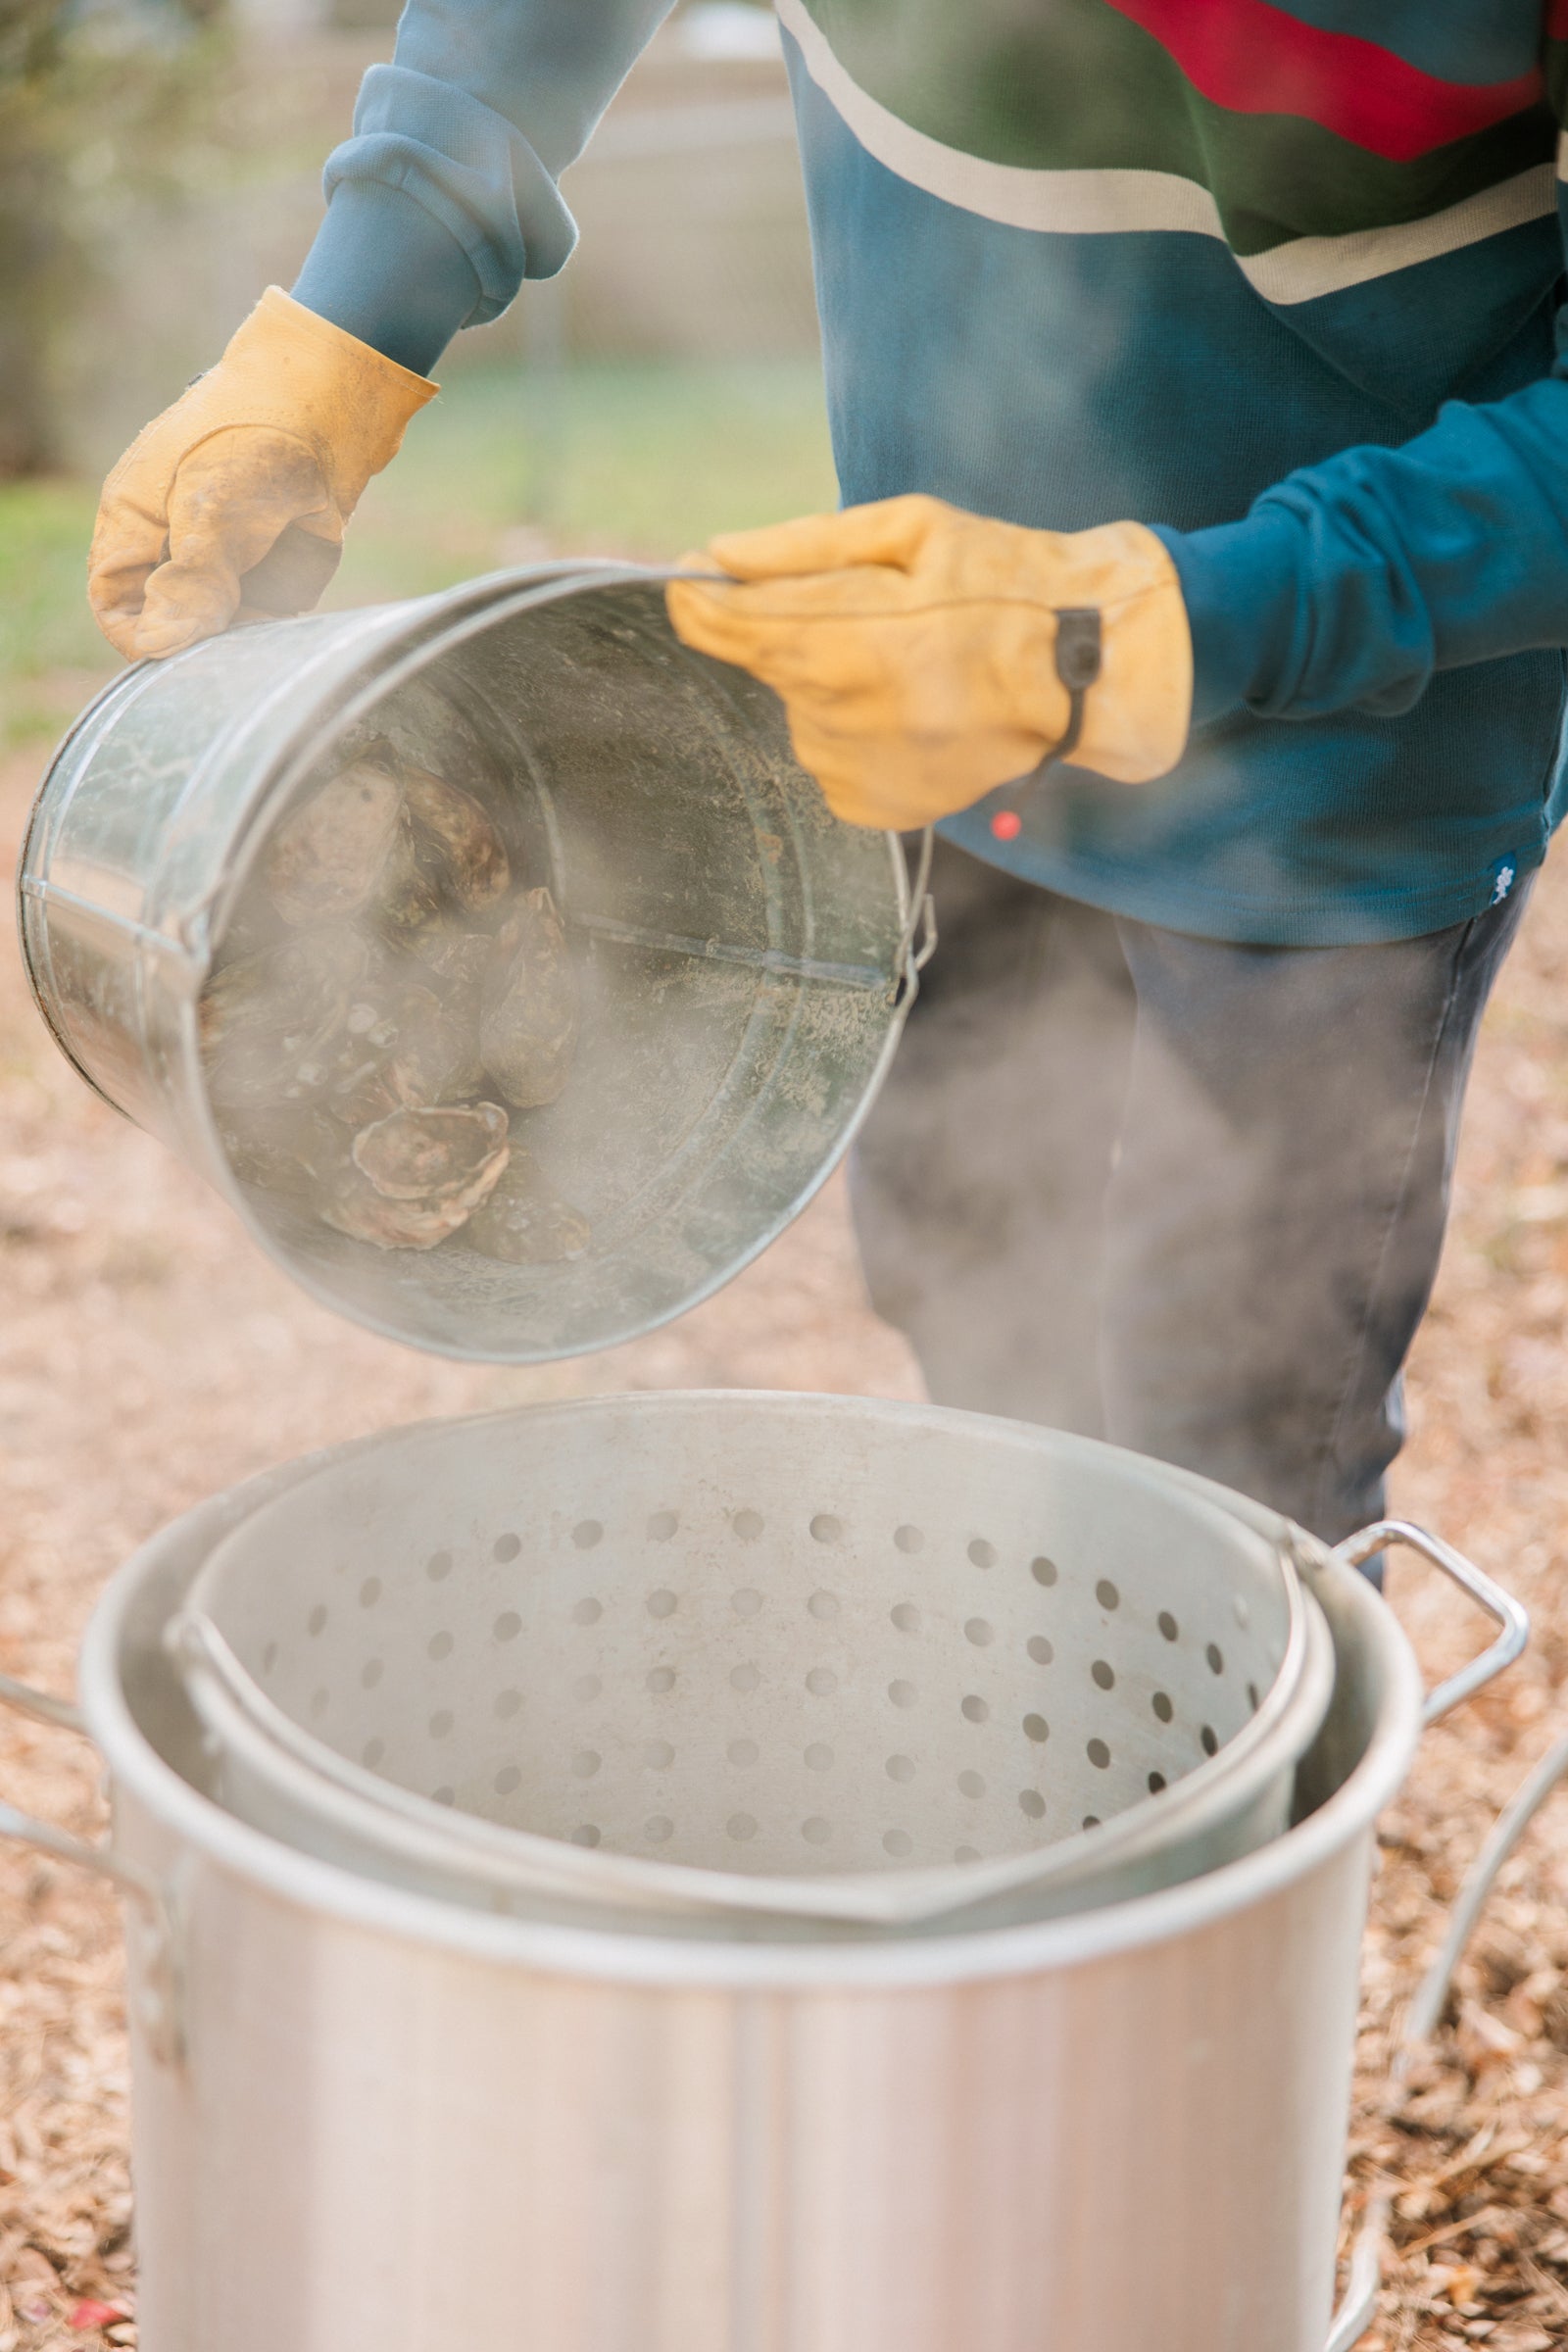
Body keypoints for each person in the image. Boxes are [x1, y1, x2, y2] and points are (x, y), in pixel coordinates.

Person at [89, 1, 1568, 1543]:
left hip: (1342, 779)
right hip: (918, 679)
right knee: (968, 1291)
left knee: (1244, 1446)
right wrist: (350, 315)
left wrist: (1172, 626)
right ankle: (1030, 1707)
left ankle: (1252, 1770)